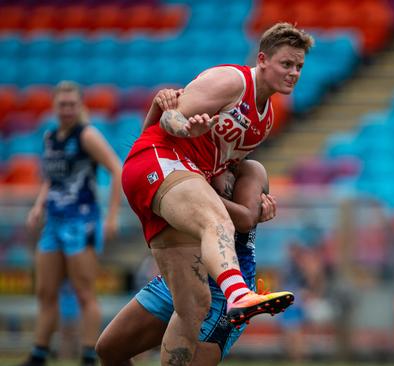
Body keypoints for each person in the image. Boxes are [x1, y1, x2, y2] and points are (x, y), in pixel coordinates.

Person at [120, 22, 314, 364]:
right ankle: (239, 293)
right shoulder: (233, 81)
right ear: (263, 59)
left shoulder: (265, 120)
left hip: (174, 183)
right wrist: (186, 126)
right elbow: (170, 120)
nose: (294, 72)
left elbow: (221, 175)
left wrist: (252, 208)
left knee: (187, 308)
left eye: (299, 66)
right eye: (287, 64)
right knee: (216, 218)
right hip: (161, 162)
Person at [96, 158, 276, 365]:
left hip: (221, 293)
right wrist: (178, 191)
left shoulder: (249, 169)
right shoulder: (181, 159)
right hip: (179, 275)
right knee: (110, 349)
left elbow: (245, 219)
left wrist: (183, 191)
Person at [21, 81, 123, 366]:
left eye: (71, 104)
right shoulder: (50, 137)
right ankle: (39, 353)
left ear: (79, 106)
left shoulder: (87, 135)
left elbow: (116, 169)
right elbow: (52, 179)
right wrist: (39, 205)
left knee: (83, 291)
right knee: (45, 291)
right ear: (54, 107)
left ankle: (89, 355)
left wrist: (111, 216)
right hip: (53, 223)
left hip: (82, 222)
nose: (66, 110)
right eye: (62, 104)